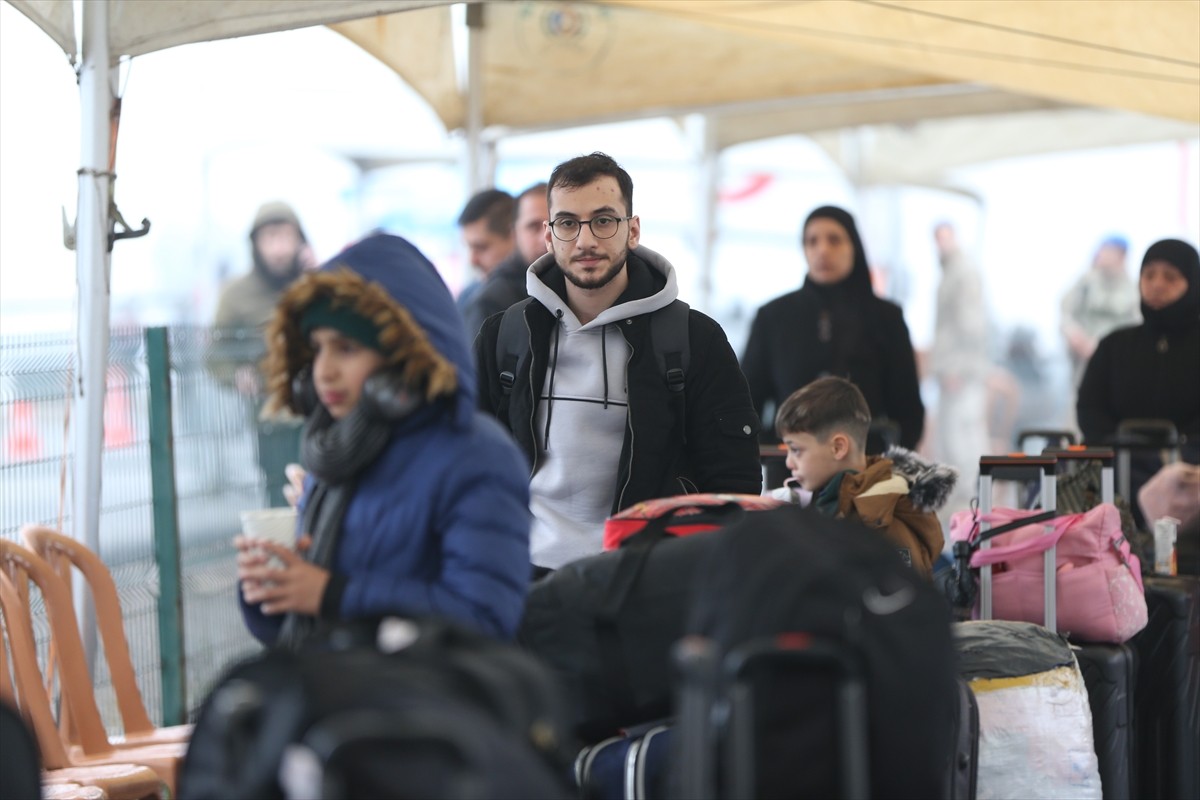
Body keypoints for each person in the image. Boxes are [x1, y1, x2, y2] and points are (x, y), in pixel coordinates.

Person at [235, 233, 533, 648]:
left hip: (427, 707)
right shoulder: (337, 455)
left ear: (406, 352)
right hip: (336, 697)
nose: (323, 371)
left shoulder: (478, 457)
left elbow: (486, 619)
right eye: (317, 348)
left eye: (347, 348)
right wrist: (272, 590)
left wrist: (332, 593)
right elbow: (298, 627)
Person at [474, 152, 761, 574]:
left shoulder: (692, 340)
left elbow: (733, 487)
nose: (586, 240)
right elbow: (473, 466)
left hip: (642, 581)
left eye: (604, 220)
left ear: (633, 230)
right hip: (523, 575)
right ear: (549, 237)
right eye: (568, 223)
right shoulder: (505, 336)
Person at [740, 205, 925, 472]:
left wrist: (888, 474)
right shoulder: (774, 317)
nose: (822, 250)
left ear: (854, 247)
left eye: (834, 239)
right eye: (812, 241)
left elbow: (908, 409)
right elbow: (748, 402)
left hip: (865, 472)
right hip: (788, 471)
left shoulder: (886, 318)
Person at [773, 376, 952, 577]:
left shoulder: (883, 519)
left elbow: (901, 598)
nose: (789, 462)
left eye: (796, 450)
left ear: (838, 447)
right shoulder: (828, 502)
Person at [1077, 238, 1200, 519]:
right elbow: (1090, 408)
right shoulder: (1114, 345)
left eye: (1171, 277)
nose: (1157, 284)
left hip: (1189, 475)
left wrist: (1182, 453)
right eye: (1149, 274)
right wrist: (1115, 448)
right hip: (1119, 472)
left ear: (1192, 283)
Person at [210, 201, 315, 507]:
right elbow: (214, 354)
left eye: (286, 237)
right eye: (270, 238)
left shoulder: (314, 283)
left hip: (321, 414)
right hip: (272, 420)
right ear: (255, 244)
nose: (279, 249)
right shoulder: (236, 295)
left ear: (300, 240)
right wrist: (236, 373)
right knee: (281, 500)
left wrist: (319, 278)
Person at [929, 221, 990, 524]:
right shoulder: (950, 272)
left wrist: (959, 367)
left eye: (945, 238)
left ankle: (970, 506)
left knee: (963, 438)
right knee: (950, 439)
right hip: (950, 371)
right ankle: (960, 509)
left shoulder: (963, 272)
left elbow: (971, 325)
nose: (941, 244)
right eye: (937, 239)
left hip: (961, 373)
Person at [461, 182, 548, 339]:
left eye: (481, 247)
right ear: (515, 234)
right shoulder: (487, 302)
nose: (546, 237)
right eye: (533, 227)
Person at [1060, 235, 1139, 393]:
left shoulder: (1133, 289)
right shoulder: (1085, 283)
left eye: (1108, 250)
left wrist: (1105, 348)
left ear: (1121, 255)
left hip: (1117, 364)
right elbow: (1066, 315)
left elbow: (1137, 325)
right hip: (1084, 362)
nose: (1102, 254)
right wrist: (1076, 338)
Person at [456, 188, 516, 315]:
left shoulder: (539, 298)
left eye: (481, 247)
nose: (473, 260)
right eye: (469, 247)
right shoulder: (467, 297)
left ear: (515, 237)